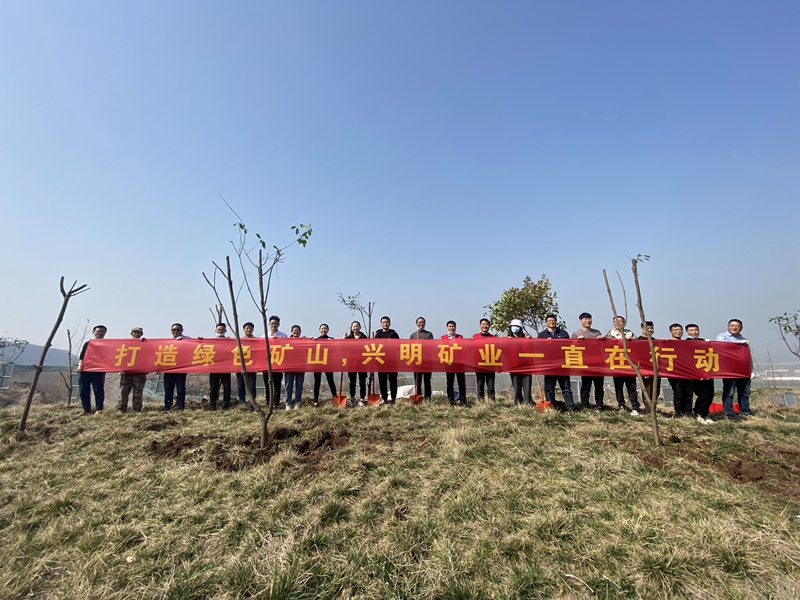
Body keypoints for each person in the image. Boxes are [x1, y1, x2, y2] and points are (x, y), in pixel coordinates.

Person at [537, 314, 575, 412]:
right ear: (546, 323)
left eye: (553, 320)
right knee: (549, 388)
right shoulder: (542, 335)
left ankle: (570, 407)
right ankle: (551, 407)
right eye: (549, 321)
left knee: (566, 388)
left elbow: (569, 346)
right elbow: (538, 348)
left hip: (562, 365)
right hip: (549, 366)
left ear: (556, 322)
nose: (551, 322)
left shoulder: (563, 333)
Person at [716, 319, 753, 419]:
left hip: (743, 370)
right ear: (728, 326)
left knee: (744, 393)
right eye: (732, 325)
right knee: (729, 392)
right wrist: (740, 345)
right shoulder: (722, 337)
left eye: (737, 326)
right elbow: (725, 348)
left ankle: (745, 412)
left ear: (741, 328)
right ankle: (729, 413)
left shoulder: (743, 339)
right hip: (730, 370)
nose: (734, 327)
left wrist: (750, 370)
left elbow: (747, 357)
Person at [606, 316, 642, 415]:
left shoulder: (630, 334)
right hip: (617, 365)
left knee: (632, 387)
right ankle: (621, 405)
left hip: (629, 365)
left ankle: (635, 406)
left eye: (620, 321)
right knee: (618, 387)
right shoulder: (610, 334)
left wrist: (631, 340)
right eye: (615, 322)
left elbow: (638, 346)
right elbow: (604, 346)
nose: (617, 323)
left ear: (624, 323)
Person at [571, 312, 605, 412]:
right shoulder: (576, 333)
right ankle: (585, 405)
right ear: (580, 321)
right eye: (585, 319)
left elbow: (602, 347)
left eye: (589, 319)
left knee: (599, 386)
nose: (587, 321)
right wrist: (577, 341)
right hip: (585, 363)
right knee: (586, 385)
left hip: (598, 363)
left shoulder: (596, 332)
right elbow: (571, 347)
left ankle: (599, 404)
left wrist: (602, 339)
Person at [685, 323, 715, 425]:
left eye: (696, 330)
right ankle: (698, 414)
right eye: (691, 330)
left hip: (705, 371)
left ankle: (704, 413)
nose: (694, 332)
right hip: (693, 373)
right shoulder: (685, 343)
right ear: (687, 332)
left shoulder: (704, 342)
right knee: (696, 394)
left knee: (708, 393)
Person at [77, 325, 108, 415]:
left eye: (102, 331)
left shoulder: (107, 344)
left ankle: (99, 409)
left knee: (98, 390)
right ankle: (86, 410)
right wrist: (79, 367)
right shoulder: (88, 343)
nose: (100, 333)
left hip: (99, 371)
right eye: (98, 331)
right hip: (85, 370)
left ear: (105, 333)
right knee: (83, 390)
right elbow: (82, 356)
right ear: (93, 332)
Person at [118, 326, 146, 412]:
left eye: (139, 332)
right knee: (123, 391)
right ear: (131, 334)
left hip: (140, 372)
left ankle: (137, 409)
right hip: (127, 372)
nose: (136, 334)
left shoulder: (145, 344)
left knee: (138, 392)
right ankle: (121, 409)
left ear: (142, 334)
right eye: (135, 332)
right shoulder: (126, 344)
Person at [667, 323, 692, 417]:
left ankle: (688, 413)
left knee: (688, 394)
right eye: (675, 330)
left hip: (688, 372)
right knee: (678, 394)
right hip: (674, 373)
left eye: (680, 330)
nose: (678, 332)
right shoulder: (667, 344)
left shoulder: (687, 344)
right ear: (671, 332)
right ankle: (679, 413)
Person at [163, 323, 190, 411]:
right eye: (173, 330)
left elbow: (197, 345)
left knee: (180, 389)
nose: (175, 331)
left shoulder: (188, 340)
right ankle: (168, 407)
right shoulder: (166, 342)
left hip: (181, 369)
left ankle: (180, 407)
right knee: (168, 389)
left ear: (182, 330)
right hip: (169, 369)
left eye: (178, 330)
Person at [374, 316, 399, 404]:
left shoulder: (394, 334)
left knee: (393, 381)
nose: (385, 324)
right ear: (381, 324)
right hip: (380, 360)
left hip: (392, 361)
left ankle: (393, 398)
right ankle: (384, 399)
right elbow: (374, 346)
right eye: (383, 322)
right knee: (382, 381)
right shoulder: (378, 335)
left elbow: (398, 346)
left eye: (387, 322)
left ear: (390, 323)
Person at [508, 319, 533, 405]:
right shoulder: (507, 339)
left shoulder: (526, 337)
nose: (515, 328)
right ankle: (518, 403)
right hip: (514, 365)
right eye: (513, 326)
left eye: (517, 326)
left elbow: (533, 346)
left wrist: (530, 339)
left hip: (526, 365)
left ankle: (528, 402)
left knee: (527, 386)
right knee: (516, 385)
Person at [343, 321, 369, 406]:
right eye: (354, 326)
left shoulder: (364, 337)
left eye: (357, 326)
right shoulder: (349, 338)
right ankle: (352, 398)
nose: (355, 328)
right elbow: (343, 349)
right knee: (352, 382)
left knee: (362, 381)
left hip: (362, 362)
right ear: (351, 328)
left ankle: (362, 399)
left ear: (360, 327)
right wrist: (343, 340)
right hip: (352, 362)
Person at [207, 323, 232, 410]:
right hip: (214, 368)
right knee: (213, 387)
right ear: (216, 331)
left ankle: (226, 405)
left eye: (222, 329)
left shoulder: (229, 341)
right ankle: (212, 405)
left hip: (226, 368)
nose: (220, 331)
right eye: (219, 329)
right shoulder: (211, 342)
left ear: (225, 330)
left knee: (227, 388)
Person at [441, 321, 466, 406]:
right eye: (450, 326)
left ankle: (463, 400)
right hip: (449, 363)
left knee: (461, 382)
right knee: (450, 382)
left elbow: (463, 349)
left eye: (453, 326)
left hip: (459, 363)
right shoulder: (443, 338)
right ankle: (451, 400)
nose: (451, 328)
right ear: (447, 328)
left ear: (455, 327)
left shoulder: (460, 337)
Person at [313, 323, 337, 407]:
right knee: (317, 382)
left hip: (328, 363)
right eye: (322, 329)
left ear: (328, 330)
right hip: (318, 363)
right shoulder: (316, 340)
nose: (324, 330)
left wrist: (332, 342)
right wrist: (312, 341)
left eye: (325, 328)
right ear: (319, 330)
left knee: (331, 381)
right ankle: (315, 400)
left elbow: (335, 350)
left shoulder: (331, 339)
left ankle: (335, 398)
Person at [266, 315, 288, 408]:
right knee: (268, 385)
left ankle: (276, 403)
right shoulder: (264, 336)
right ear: (269, 324)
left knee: (277, 385)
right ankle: (268, 403)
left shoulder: (283, 336)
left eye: (276, 323)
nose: (274, 325)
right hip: (267, 365)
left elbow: (287, 348)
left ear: (279, 324)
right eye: (272, 323)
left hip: (279, 364)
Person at [410, 317, 434, 400]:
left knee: (427, 381)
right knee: (418, 381)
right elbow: (410, 348)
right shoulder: (413, 335)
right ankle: (418, 398)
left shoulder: (429, 334)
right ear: (416, 323)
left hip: (427, 361)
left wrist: (423, 343)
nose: (421, 324)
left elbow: (432, 346)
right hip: (417, 361)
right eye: (419, 322)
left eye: (423, 322)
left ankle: (428, 399)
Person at [472, 318, 496, 401]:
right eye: (483, 324)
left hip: (490, 364)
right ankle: (480, 402)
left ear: (489, 326)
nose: (485, 326)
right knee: (480, 384)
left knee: (491, 385)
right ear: (480, 326)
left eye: (486, 324)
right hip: (479, 364)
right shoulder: (475, 337)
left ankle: (491, 402)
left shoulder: (493, 338)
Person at [235, 322, 258, 407]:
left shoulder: (257, 341)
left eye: (250, 328)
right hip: (240, 367)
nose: (249, 330)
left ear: (253, 330)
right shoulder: (239, 341)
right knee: (240, 386)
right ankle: (241, 403)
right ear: (243, 330)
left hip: (252, 367)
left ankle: (252, 404)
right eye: (247, 328)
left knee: (251, 386)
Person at [284, 325, 305, 409]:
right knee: (288, 385)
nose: (296, 332)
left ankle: (297, 403)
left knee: (299, 385)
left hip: (300, 367)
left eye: (298, 330)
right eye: (294, 330)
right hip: (289, 367)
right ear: (291, 332)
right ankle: (288, 403)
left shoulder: (303, 341)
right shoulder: (286, 341)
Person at [637, 321, 656, 409]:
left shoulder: (655, 341)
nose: (650, 330)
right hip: (644, 368)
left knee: (655, 388)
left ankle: (653, 407)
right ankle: (648, 409)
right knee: (647, 388)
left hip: (655, 368)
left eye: (651, 328)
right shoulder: (638, 341)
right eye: (647, 328)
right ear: (642, 329)